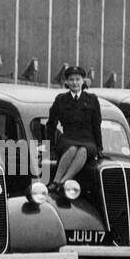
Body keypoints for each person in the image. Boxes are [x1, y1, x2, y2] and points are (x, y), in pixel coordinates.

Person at [44, 65, 103, 194]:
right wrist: (51, 148)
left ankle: (61, 182)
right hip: (68, 138)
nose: (75, 83)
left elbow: (96, 124)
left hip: (88, 139)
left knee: (82, 150)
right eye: (71, 80)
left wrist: (99, 147)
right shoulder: (61, 99)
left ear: (83, 81)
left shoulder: (92, 99)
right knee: (71, 149)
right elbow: (51, 124)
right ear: (66, 82)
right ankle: (56, 181)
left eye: (77, 79)